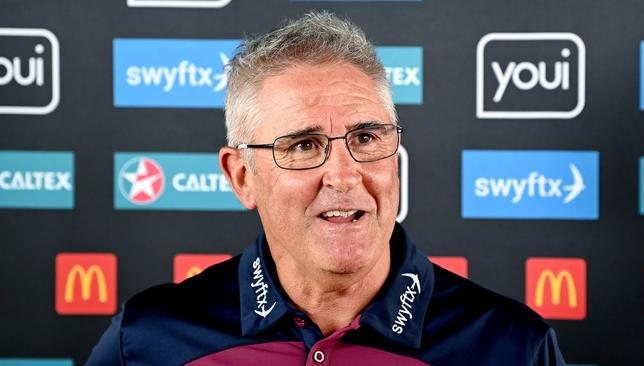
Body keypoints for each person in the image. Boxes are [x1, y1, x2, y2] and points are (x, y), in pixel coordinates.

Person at [87, 11, 565, 365]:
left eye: (365, 137)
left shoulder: (513, 346)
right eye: (303, 145)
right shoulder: (146, 339)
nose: (342, 174)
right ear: (241, 176)